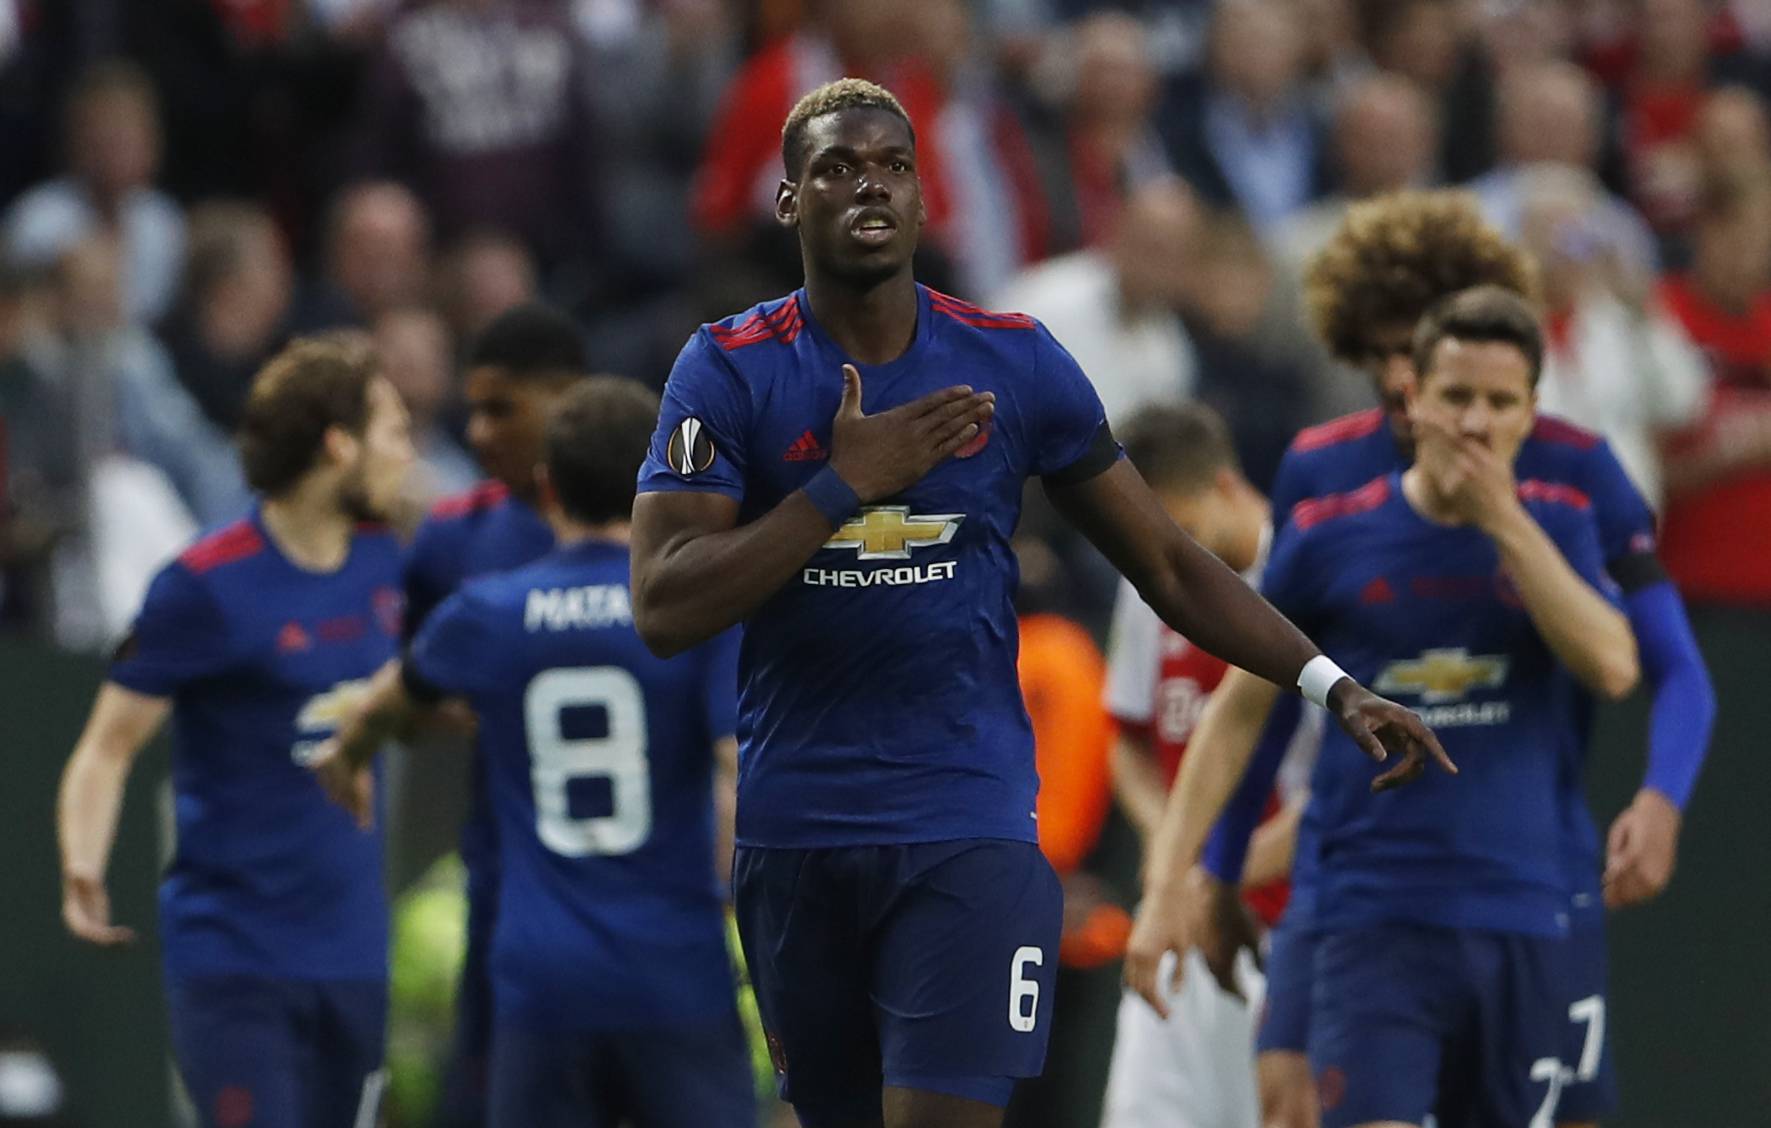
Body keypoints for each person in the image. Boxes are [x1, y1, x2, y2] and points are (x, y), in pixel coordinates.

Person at [627, 77, 1445, 1128]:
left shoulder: (1009, 358)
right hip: (797, 834)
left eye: (891, 165)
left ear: (925, 198)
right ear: (789, 201)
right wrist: (838, 489)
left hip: (966, 822)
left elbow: (1169, 559)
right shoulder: (728, 368)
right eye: (835, 168)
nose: (868, 186)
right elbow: (663, 605)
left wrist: (1332, 686)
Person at [1129, 191, 1715, 1128]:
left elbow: (1652, 663)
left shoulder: (1572, 477)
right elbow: (1268, 688)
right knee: (1288, 1104)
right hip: (1355, 878)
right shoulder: (1322, 481)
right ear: (1362, 351)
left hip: (1528, 873)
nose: (1412, 380)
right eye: (1391, 353)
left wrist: (1660, 797)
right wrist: (1219, 863)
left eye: (1430, 348)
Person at [311, 378, 752, 1128]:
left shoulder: (490, 611)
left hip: (544, 981)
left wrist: (345, 757)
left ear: (546, 489)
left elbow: (390, 699)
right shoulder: (699, 608)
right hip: (675, 969)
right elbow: (738, 771)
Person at [54, 335, 415, 1128]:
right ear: (337, 445)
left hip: (354, 956)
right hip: (235, 961)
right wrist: (83, 864)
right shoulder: (203, 585)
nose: (407, 454)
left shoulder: (391, 564)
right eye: (392, 432)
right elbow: (106, 747)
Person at [1097, 403, 1315, 1128]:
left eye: (1183, 530)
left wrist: (1213, 873)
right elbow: (1127, 736)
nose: (1169, 557)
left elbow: (1340, 792)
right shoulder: (1154, 579)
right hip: (1179, 924)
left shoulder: (1311, 582)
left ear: (1225, 486)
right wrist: (1169, 848)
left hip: (1294, 928)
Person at [401, 302, 591, 1128]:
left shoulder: (662, 523)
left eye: (500, 408)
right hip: (506, 880)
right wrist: (484, 711)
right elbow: (405, 688)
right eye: (470, 409)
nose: (477, 434)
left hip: (640, 892)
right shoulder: (453, 536)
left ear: (566, 399)